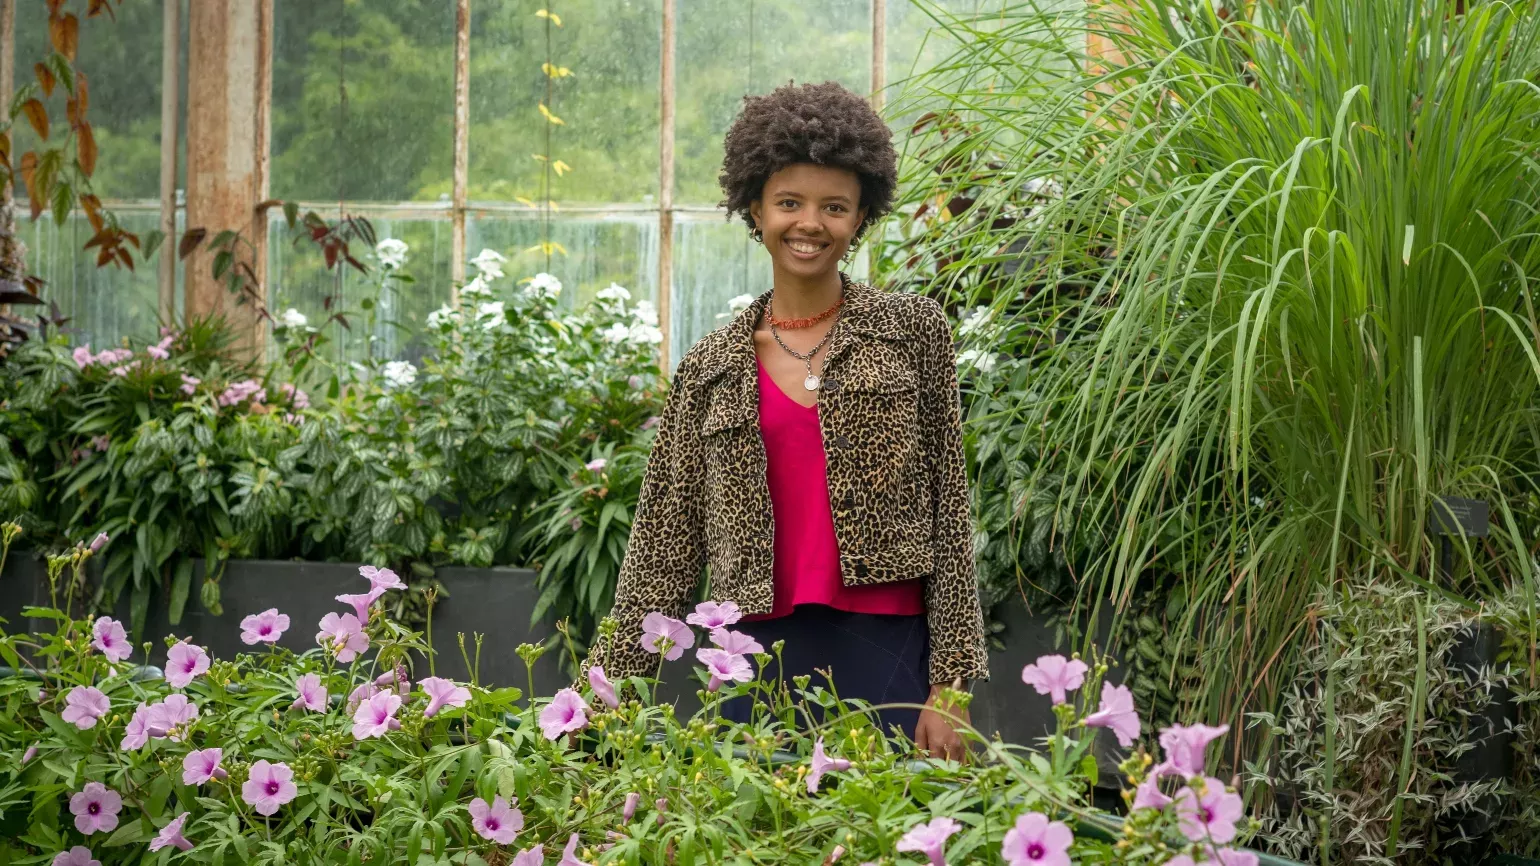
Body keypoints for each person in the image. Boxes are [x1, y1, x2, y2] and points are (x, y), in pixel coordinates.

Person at [579, 80, 989, 760]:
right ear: (754, 208)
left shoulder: (912, 332)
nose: (810, 224)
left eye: (834, 206)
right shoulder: (711, 365)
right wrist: (606, 687)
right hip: (751, 653)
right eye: (789, 202)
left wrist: (951, 683)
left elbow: (950, 511)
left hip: (887, 647)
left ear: (860, 217)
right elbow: (664, 539)